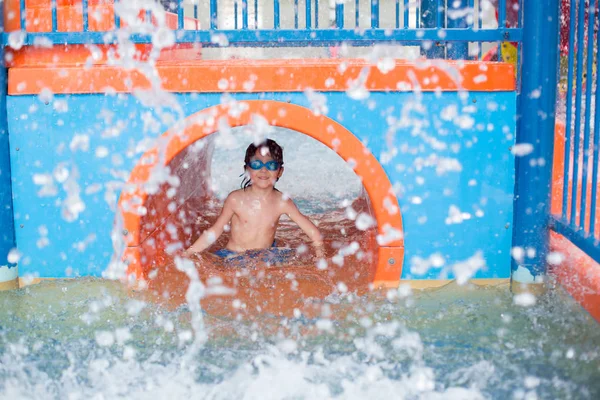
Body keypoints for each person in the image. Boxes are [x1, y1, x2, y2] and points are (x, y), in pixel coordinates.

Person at [183, 139, 324, 263]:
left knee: (297, 262)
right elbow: (215, 230)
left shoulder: (282, 202)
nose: (263, 170)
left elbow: (312, 232)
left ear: (280, 171)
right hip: (233, 255)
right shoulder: (235, 199)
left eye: (271, 165)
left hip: (266, 254)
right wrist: (189, 252)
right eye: (257, 164)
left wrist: (320, 256)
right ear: (247, 169)